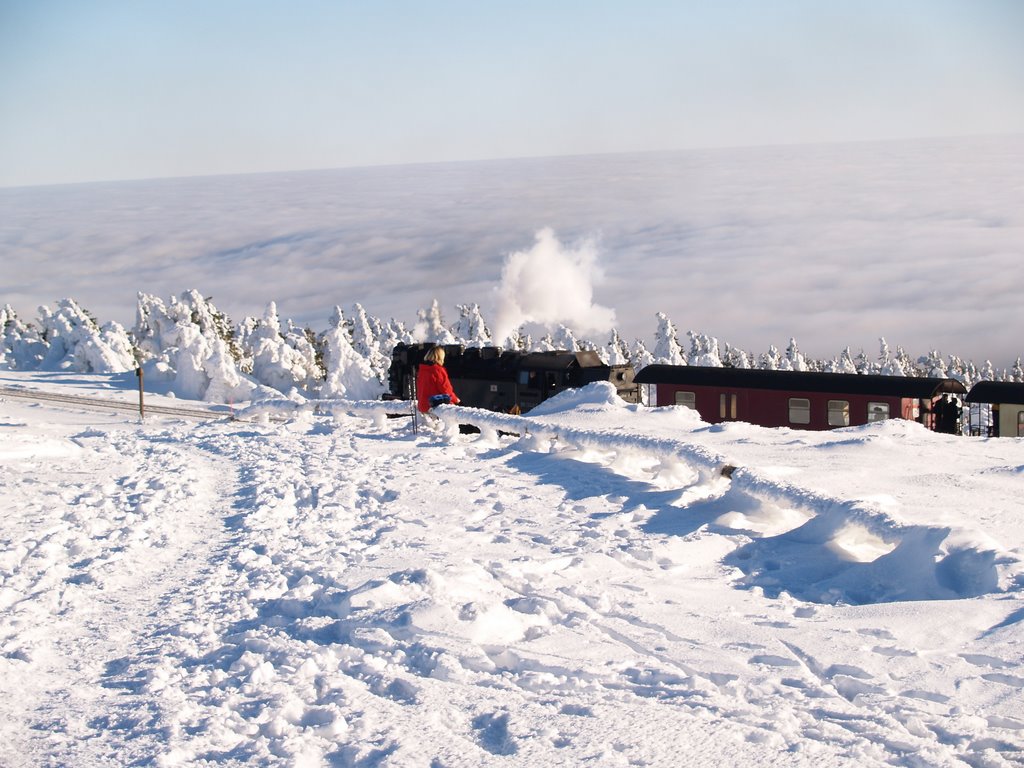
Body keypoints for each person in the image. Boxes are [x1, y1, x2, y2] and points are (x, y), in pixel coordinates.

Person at [416, 346, 460, 414]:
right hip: (434, 406)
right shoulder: (438, 370)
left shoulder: (422, 370)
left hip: (422, 406)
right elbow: (446, 390)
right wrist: (457, 400)